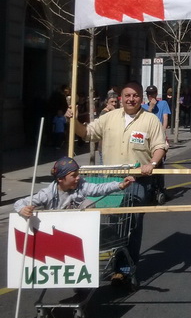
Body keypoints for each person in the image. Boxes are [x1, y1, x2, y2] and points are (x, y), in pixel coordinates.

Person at [66, 81, 167, 284]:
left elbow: (159, 146)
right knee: (115, 225)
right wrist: (73, 120)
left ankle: (125, 269)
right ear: (121, 98)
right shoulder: (109, 118)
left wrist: (152, 163)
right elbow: (86, 134)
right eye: (127, 95)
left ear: (141, 98)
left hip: (138, 181)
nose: (131, 99)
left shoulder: (150, 120)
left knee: (132, 226)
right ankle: (116, 264)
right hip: (110, 182)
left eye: (135, 96)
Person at [14, 156, 134, 217]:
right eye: (73, 175)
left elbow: (98, 189)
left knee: (88, 203)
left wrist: (120, 185)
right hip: (55, 229)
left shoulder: (81, 185)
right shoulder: (47, 194)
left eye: (78, 174)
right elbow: (20, 203)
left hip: (77, 229)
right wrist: (23, 209)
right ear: (60, 179)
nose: (78, 178)